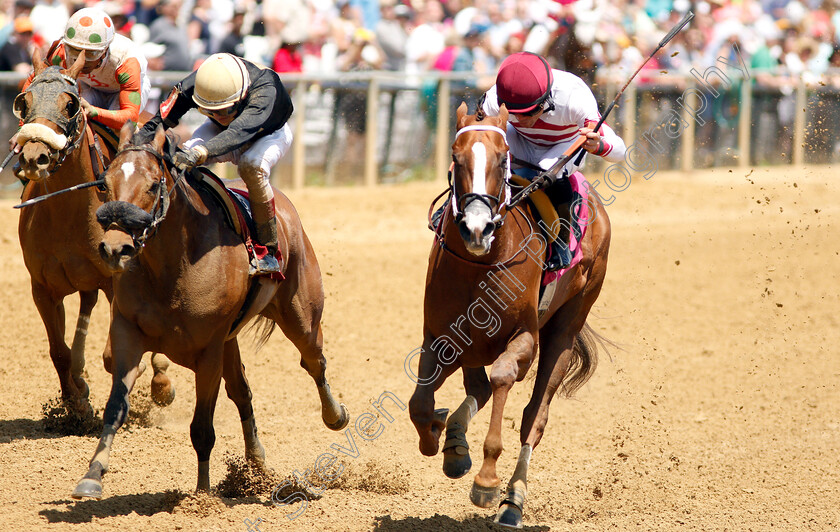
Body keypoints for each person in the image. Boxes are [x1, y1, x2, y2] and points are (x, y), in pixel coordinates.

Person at [135, 53, 294, 275]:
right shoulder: (196, 83)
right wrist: (137, 142)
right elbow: (161, 120)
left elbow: (239, 132)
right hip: (223, 133)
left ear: (242, 96)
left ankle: (267, 248)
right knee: (180, 161)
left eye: (224, 110)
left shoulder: (267, 90)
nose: (218, 116)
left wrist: (203, 152)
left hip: (267, 135)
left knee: (251, 166)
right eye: (210, 111)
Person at [481, 52, 626, 271]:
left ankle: (561, 243)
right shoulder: (494, 98)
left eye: (528, 112)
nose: (520, 119)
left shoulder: (574, 97)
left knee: (546, 173)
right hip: (519, 139)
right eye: (513, 113)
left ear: (546, 100)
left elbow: (621, 151)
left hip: (562, 144)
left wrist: (599, 146)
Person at [13, 8, 150, 147]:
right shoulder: (60, 52)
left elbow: (130, 118)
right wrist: (22, 129)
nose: (81, 59)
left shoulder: (126, 61)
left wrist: (95, 112)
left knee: (121, 131)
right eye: (74, 50)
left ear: (105, 50)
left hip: (119, 91)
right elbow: (33, 81)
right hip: (88, 86)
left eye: (91, 53)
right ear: (66, 45)